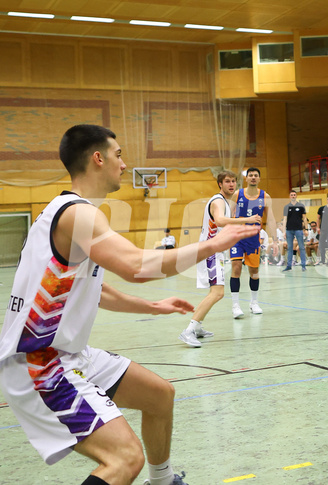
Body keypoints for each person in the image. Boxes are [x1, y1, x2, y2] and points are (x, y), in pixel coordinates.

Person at [0, 125, 258, 485]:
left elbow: (98, 292)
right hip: (40, 363)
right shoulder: (78, 214)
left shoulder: (62, 212)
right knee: (123, 459)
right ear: (98, 158)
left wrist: (152, 306)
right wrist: (214, 245)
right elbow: (136, 266)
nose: (123, 164)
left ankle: (163, 480)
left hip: (70, 355)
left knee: (160, 395)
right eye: (118, 154)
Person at [178, 171, 246, 348]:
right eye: (227, 181)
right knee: (217, 293)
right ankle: (189, 331)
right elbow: (220, 220)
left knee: (215, 292)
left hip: (213, 251)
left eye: (234, 181)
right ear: (220, 184)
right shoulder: (218, 201)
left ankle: (197, 327)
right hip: (210, 252)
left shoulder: (223, 201)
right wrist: (246, 220)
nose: (231, 184)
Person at [230, 167, 274, 318]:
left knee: (254, 272)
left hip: (254, 238)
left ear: (259, 179)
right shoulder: (237, 194)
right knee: (236, 268)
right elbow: (229, 215)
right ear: (246, 179)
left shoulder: (265, 196)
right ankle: (235, 305)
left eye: (256, 175)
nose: (253, 177)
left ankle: (253, 303)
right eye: (251, 175)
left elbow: (271, 218)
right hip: (237, 237)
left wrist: (274, 238)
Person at [282, 190, 308, 271]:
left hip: (299, 229)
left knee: (301, 247)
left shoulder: (301, 206)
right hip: (289, 230)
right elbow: (285, 219)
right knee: (289, 248)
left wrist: (306, 229)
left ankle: (303, 265)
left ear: (296, 196)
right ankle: (289, 266)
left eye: (294, 195)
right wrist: (284, 231)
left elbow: (304, 218)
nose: (293, 196)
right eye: (291, 195)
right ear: (289, 196)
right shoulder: (286, 207)